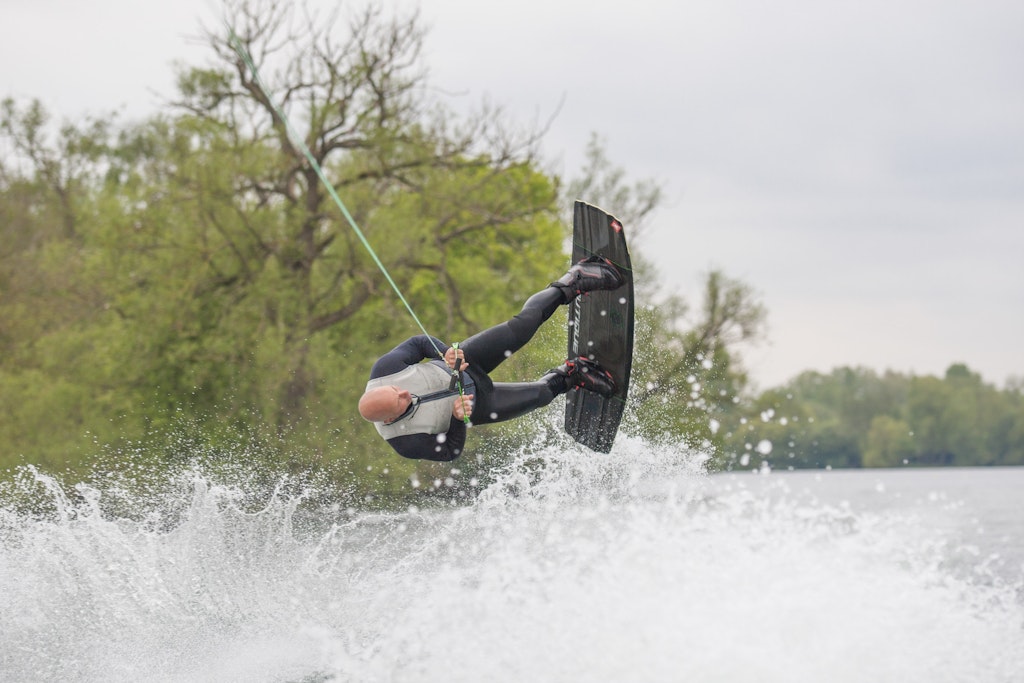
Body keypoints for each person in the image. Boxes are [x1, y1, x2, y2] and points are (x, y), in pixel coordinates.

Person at [357, 256, 625, 461]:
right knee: (542, 395)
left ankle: (573, 281)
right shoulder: (404, 442)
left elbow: (417, 343)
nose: (404, 392)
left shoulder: (386, 370)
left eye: (396, 389)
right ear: (389, 419)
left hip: (466, 364)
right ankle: (573, 374)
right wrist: (458, 418)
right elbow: (451, 451)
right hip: (478, 404)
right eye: (400, 400)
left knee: (522, 327)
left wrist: (445, 354)